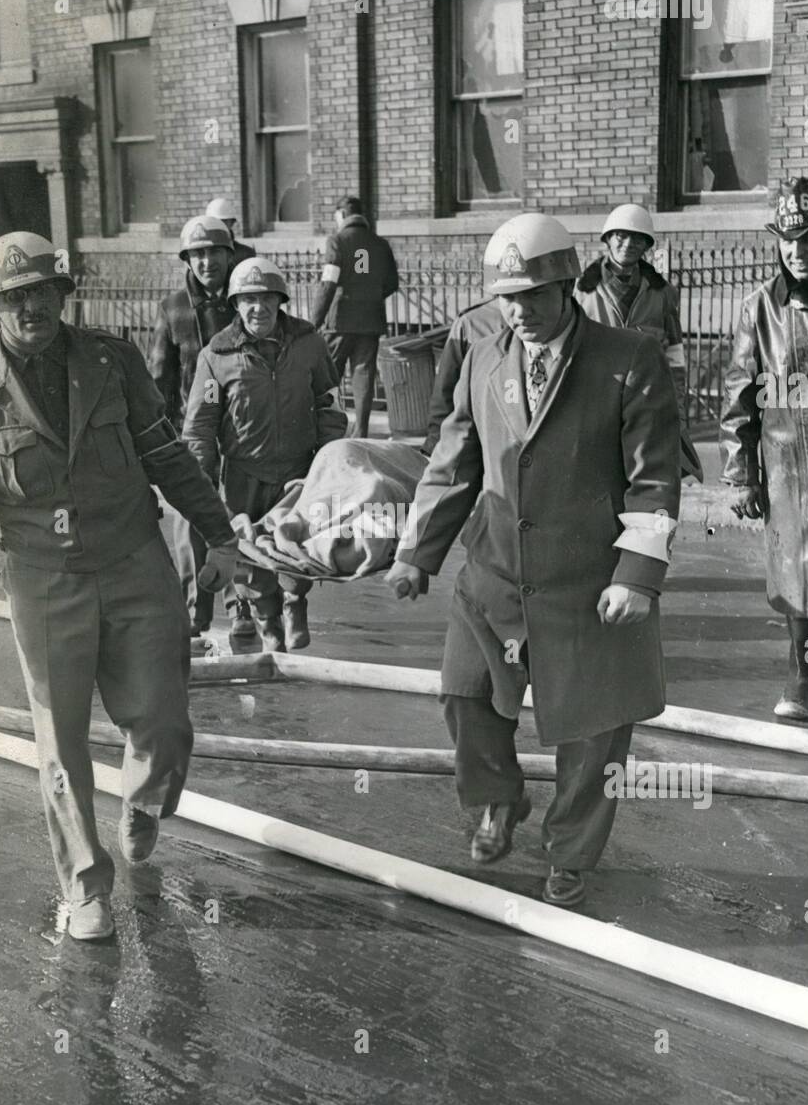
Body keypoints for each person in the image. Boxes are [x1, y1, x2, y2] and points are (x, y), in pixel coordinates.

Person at [0, 232, 240, 941]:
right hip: (43, 579)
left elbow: (167, 454)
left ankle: (144, 801)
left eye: (40, 292)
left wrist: (219, 536)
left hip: (133, 561)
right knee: (60, 742)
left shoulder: (112, 360)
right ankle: (85, 885)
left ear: (61, 296)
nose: (29, 307)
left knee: (161, 718)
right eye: (13, 298)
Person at [387, 214, 681, 908]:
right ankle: (496, 802)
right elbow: (455, 459)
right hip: (492, 571)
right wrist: (416, 553)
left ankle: (571, 853)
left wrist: (636, 574)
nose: (517, 311)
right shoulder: (485, 354)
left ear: (565, 287)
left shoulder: (627, 358)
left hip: (588, 582)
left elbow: (654, 476)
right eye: (505, 298)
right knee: (464, 698)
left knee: (593, 729)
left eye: (531, 295)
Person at [719, 178, 808, 721]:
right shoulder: (760, 309)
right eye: (787, 240)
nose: (797, 251)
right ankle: (804, 678)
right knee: (802, 580)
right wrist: (741, 473)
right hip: (792, 466)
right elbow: (738, 396)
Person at [184, 257, 348, 652]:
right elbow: (201, 424)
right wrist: (202, 478)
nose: (259, 308)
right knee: (250, 552)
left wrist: (325, 459)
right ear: (236, 306)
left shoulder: (309, 343)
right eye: (249, 300)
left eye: (266, 298)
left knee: (298, 544)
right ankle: (265, 617)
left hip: (299, 471)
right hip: (244, 473)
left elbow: (329, 401)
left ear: (281, 301)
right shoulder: (217, 357)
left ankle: (294, 604)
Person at [147, 214, 237, 636]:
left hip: (241, 434)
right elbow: (158, 379)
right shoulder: (173, 309)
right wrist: (158, 439)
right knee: (192, 524)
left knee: (239, 519)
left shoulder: (247, 299)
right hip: (190, 432)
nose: (206, 263)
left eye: (213, 253)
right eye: (197, 255)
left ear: (228, 254)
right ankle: (195, 614)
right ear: (188, 259)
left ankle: (242, 610)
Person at [574, 204, 702, 482]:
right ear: (607, 238)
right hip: (595, 407)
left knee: (645, 485)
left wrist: (677, 413)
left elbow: (674, 357)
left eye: (638, 238)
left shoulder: (663, 293)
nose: (629, 244)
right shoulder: (581, 292)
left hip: (646, 405)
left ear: (646, 245)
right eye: (620, 235)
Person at [310, 195, 399, 438]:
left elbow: (328, 284)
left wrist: (314, 321)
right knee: (364, 375)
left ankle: (327, 430)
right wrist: (370, 295)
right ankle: (361, 432)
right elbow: (392, 282)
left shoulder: (337, 241)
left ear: (341, 215)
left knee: (329, 376)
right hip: (371, 319)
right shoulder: (380, 244)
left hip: (340, 321)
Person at [422, 298, 504, 457]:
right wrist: (435, 445)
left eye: (536, 294)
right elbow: (446, 390)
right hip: (485, 445)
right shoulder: (473, 323)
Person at [205, 196, 256, 268]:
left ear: (231, 223)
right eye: (214, 222)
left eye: (223, 222)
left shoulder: (245, 254)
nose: (218, 226)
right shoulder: (202, 254)